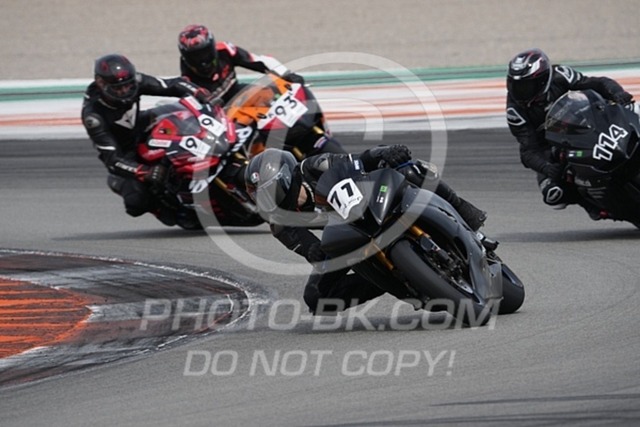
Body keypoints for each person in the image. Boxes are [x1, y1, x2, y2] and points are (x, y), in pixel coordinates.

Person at [243, 145, 488, 314]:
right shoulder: (280, 222)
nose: (268, 200)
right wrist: (316, 252)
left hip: (372, 198)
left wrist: (386, 152)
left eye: (270, 191)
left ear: (286, 178)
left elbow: (359, 159)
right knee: (316, 296)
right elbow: (313, 251)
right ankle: (398, 280)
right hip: (346, 233)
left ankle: (468, 219)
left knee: (409, 168)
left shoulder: (314, 166)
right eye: (261, 197)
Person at [81, 53, 214, 226]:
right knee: (136, 202)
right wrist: (145, 172)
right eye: (117, 88)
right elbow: (113, 160)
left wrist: (198, 92)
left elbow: (171, 84)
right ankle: (161, 207)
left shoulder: (135, 81)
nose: (124, 91)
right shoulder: (93, 116)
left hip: (141, 126)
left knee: (177, 113)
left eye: (128, 86)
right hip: (125, 153)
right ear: (101, 84)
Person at [506, 48, 634, 219]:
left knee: (633, 110)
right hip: (552, 146)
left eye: (526, 86)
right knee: (553, 194)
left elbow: (597, 83)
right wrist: (547, 167)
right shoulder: (515, 111)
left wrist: (617, 93)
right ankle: (593, 205)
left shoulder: (561, 75)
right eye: (515, 85)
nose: (519, 92)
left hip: (585, 123)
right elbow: (529, 150)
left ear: (543, 80)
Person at [177, 24, 305, 103]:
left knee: (273, 92)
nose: (202, 61)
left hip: (238, 93)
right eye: (195, 57)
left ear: (212, 48)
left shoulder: (225, 50)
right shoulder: (186, 73)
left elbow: (259, 61)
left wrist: (286, 74)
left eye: (204, 53)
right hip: (216, 111)